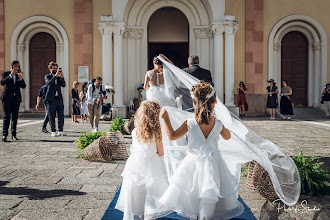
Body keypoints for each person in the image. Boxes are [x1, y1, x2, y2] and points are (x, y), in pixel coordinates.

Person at [159, 81, 244, 219]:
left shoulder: (190, 123)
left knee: (193, 195)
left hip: (193, 164)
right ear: (214, 103)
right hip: (215, 165)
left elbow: (173, 136)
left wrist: (165, 119)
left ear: (194, 103)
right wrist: (220, 126)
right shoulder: (217, 123)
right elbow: (228, 137)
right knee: (210, 197)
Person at [115, 101, 171, 220]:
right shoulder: (157, 132)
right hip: (152, 164)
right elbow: (161, 152)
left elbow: (135, 147)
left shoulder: (135, 131)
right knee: (151, 191)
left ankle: (141, 215)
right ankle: (149, 215)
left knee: (138, 191)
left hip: (136, 164)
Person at [0, 61, 26, 141]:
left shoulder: (19, 75)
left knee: (15, 117)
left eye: (19, 66)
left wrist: (21, 79)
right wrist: (10, 75)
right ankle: (4, 135)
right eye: (17, 66)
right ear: (12, 66)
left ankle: (14, 135)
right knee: (6, 116)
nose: (18, 68)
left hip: (16, 99)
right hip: (6, 98)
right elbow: (2, 82)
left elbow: (23, 86)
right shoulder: (6, 74)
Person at [44, 61, 66, 137]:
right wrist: (55, 76)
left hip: (58, 98)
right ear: (50, 69)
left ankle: (61, 130)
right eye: (53, 68)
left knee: (61, 115)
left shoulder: (59, 77)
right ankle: (53, 130)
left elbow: (63, 85)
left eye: (56, 68)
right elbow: (49, 84)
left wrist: (62, 77)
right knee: (51, 115)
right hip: (50, 99)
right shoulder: (47, 76)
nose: (55, 70)